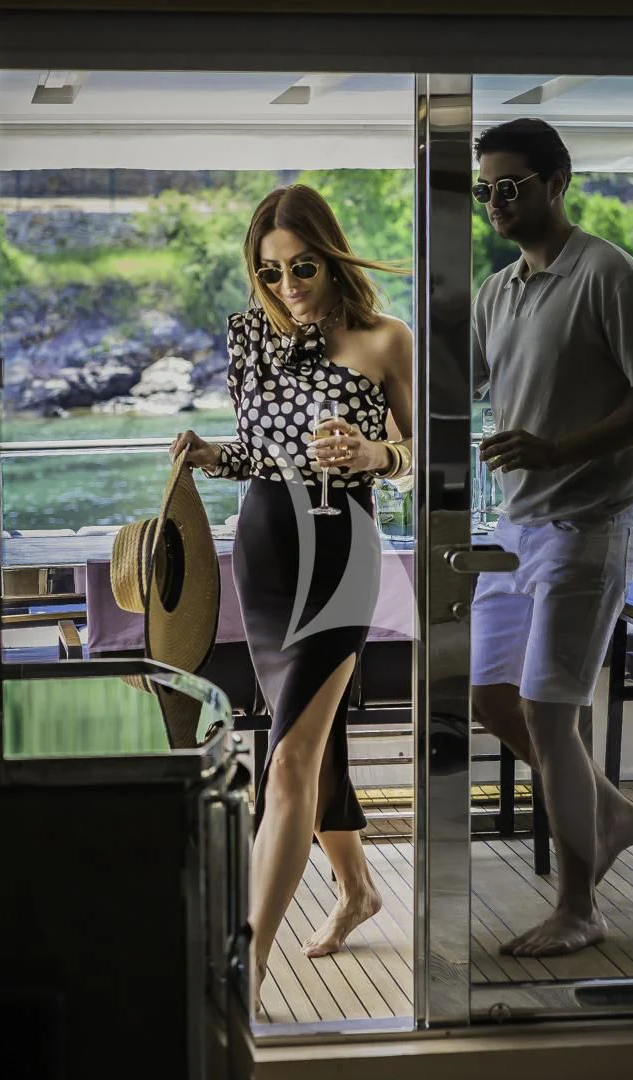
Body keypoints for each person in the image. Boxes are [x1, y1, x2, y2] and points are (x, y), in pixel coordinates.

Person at [169, 185, 415, 1012]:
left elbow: (426, 454)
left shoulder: (386, 339)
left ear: (332, 258)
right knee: (309, 742)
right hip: (264, 555)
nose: (287, 286)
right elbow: (259, 451)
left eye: (301, 267)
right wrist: (212, 454)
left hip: (339, 555)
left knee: (287, 762)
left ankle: (249, 960)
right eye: (270, 273)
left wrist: (374, 453)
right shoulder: (252, 339)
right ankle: (359, 890)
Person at [469, 118, 633, 957]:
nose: (495, 201)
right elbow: (461, 388)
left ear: (558, 182)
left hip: (592, 522)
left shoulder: (608, 274)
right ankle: (613, 813)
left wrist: (558, 449)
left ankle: (577, 907)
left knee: (547, 711)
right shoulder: (496, 291)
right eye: (485, 190)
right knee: (491, 696)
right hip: (515, 523)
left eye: (510, 186)